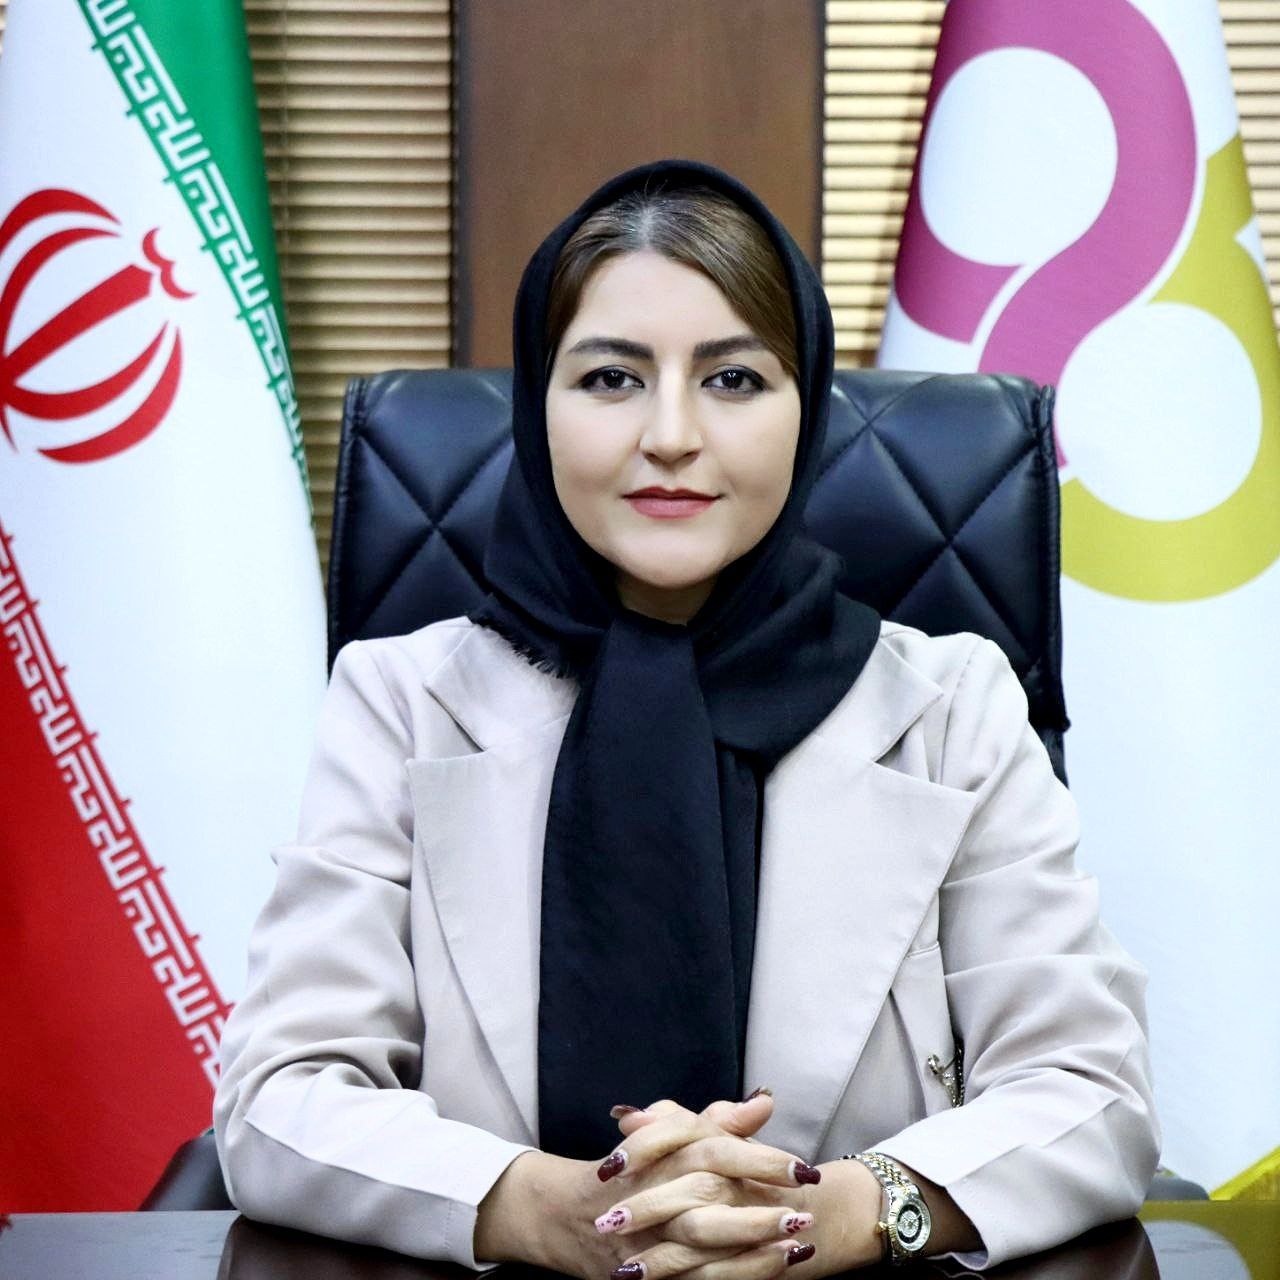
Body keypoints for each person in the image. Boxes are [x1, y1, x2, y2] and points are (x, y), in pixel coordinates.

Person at [213, 160, 1159, 1275]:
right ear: (539, 406)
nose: (669, 433)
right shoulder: (401, 701)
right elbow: (279, 1097)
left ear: (806, 412)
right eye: (611, 377)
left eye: (734, 379)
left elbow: (1091, 1093)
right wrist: (538, 1209)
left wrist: (846, 1211)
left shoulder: (952, 707)